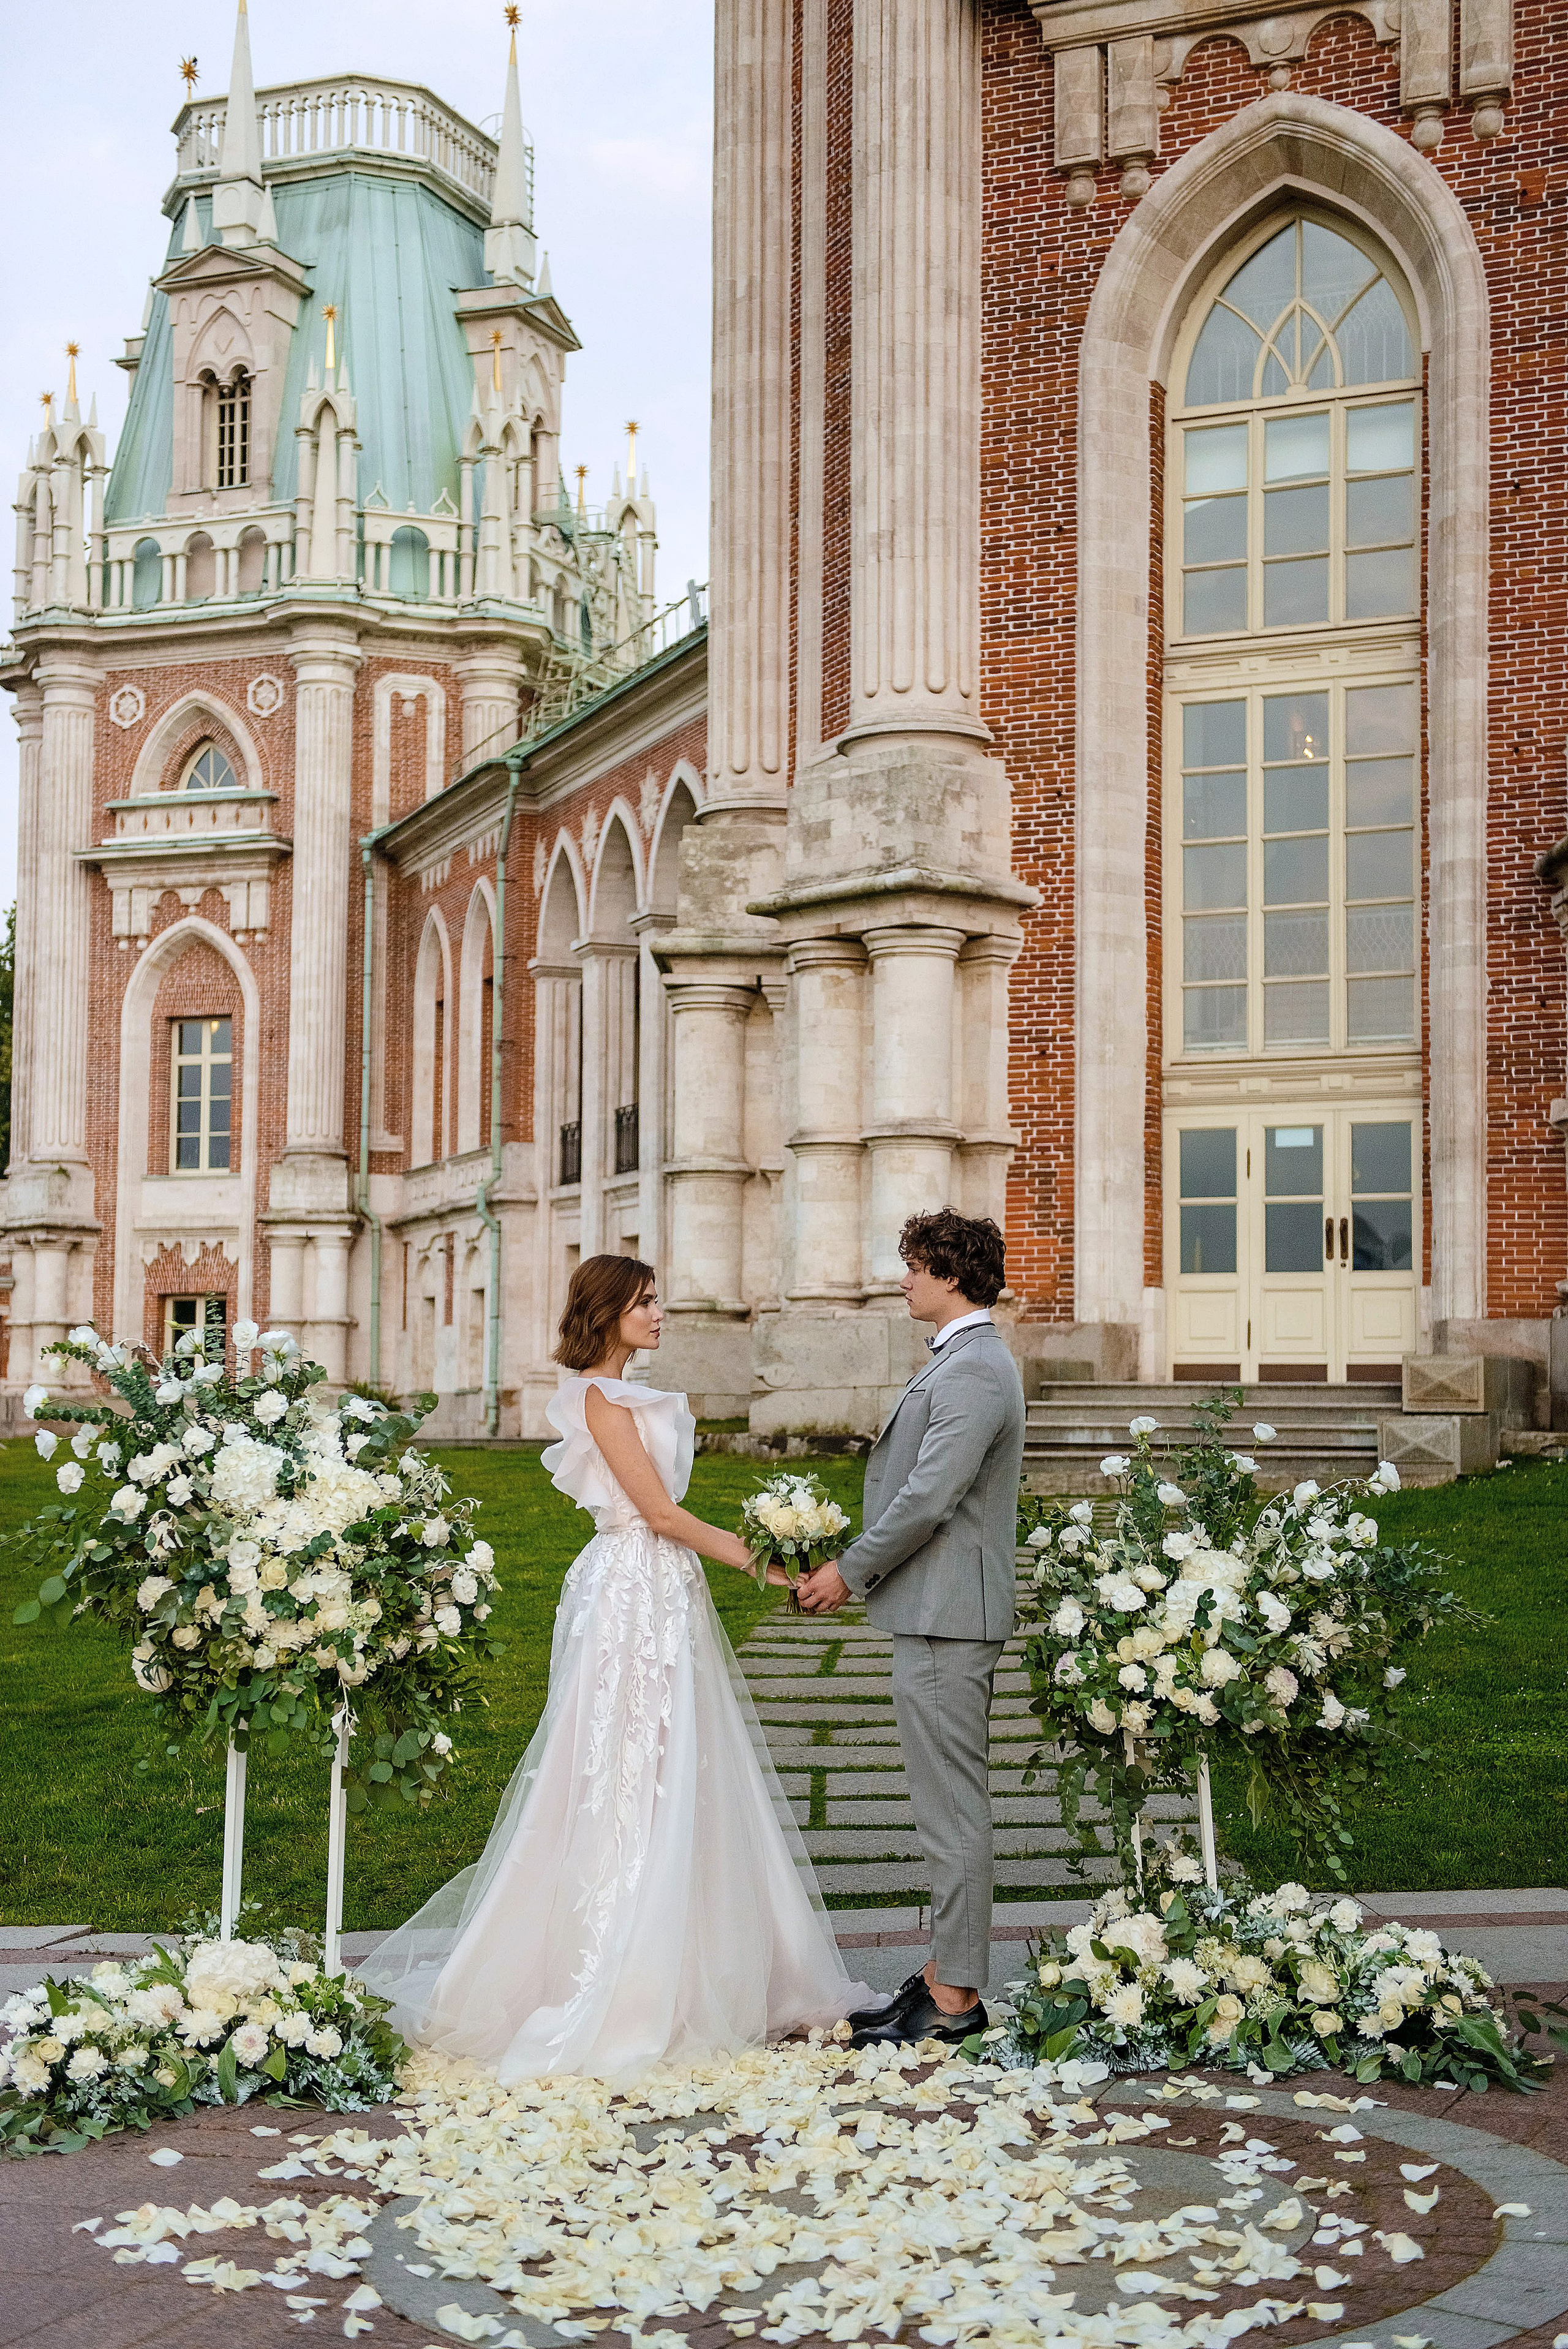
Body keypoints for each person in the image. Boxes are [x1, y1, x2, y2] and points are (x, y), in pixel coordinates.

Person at [358, 1255, 866, 2083]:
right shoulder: (601, 1397)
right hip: (632, 1589)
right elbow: (660, 1513)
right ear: (607, 1314)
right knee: (627, 1765)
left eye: (658, 1299)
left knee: (682, 1762)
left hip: (661, 1589)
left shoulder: (627, 1395)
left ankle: (701, 1956)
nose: (660, 1314)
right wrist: (771, 1565)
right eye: (644, 1303)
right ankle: (620, 1969)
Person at [796, 1209, 1025, 2049]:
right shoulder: (963, 1359)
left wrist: (849, 1571)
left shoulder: (974, 1369)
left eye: (915, 1266)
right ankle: (941, 1973)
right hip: (938, 1613)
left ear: (953, 1276)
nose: (904, 1279)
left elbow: (929, 1497)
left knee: (952, 1812)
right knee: (943, 1807)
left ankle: (957, 1997)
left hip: (950, 1618)